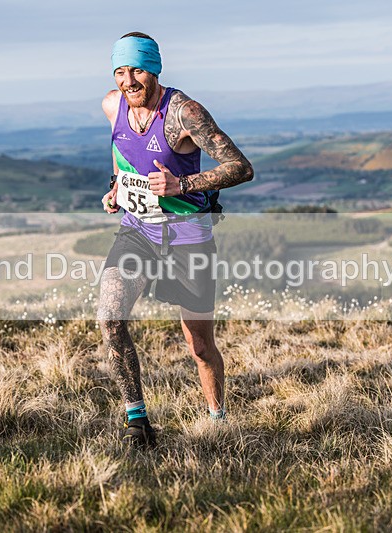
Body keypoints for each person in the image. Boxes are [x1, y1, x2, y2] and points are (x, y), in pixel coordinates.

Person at [97, 32, 253, 448]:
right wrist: (116, 189)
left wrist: (181, 183)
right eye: (120, 71)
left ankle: (217, 420)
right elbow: (124, 158)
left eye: (138, 70)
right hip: (137, 231)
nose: (129, 80)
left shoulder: (184, 113)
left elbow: (240, 167)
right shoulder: (112, 105)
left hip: (187, 237)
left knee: (199, 345)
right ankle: (138, 423)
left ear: (155, 69)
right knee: (111, 318)